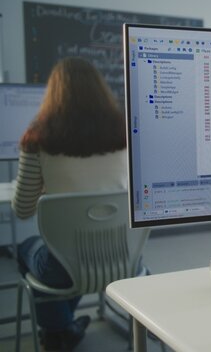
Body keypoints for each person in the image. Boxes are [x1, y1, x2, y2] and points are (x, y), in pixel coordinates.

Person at [12, 57, 127, 351]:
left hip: (63, 270)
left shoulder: (37, 138)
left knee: (26, 249)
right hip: (123, 260)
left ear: (53, 92)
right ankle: (65, 327)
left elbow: (22, 209)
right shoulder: (125, 132)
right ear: (101, 90)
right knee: (74, 256)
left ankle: (58, 330)